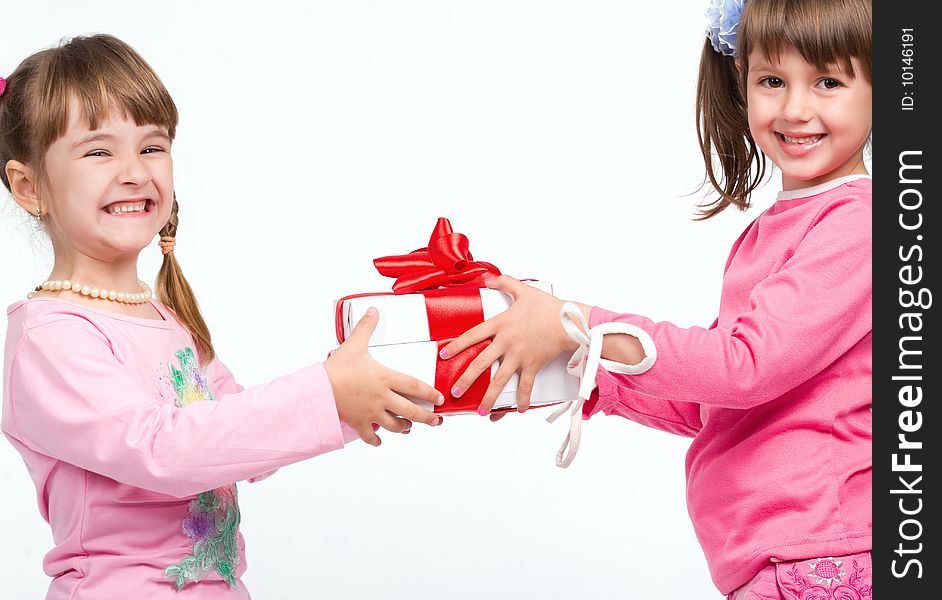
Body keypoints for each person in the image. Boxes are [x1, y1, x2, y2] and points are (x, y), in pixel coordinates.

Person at [440, 0, 873, 597]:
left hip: (822, 553)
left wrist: (578, 326)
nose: (796, 108)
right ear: (740, 84)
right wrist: (577, 369)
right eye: (772, 81)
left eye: (828, 81)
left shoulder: (858, 223)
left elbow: (744, 368)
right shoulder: (785, 226)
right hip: (783, 557)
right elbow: (719, 403)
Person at [0, 34, 445, 599]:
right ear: (29, 185)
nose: (135, 171)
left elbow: (236, 432)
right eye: (99, 151)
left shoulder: (164, 316)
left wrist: (368, 391)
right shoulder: (50, 334)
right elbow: (162, 450)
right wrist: (327, 394)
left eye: (152, 146)